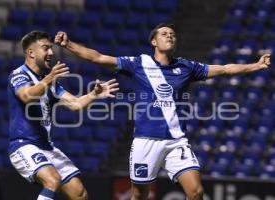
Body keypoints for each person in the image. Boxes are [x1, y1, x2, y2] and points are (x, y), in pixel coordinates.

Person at [54, 23, 271, 200]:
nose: (170, 36)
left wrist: (256, 65)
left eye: (173, 34)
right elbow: (98, 57)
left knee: (196, 192)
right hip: (146, 140)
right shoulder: (139, 64)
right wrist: (69, 44)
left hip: (177, 141)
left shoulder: (187, 67)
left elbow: (224, 70)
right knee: (139, 195)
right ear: (153, 42)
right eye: (165, 34)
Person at [7, 31, 119, 200]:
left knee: (79, 194)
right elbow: (26, 96)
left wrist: (94, 95)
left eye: (51, 48)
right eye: (46, 48)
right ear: (31, 53)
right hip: (24, 145)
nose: (51, 53)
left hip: (47, 147)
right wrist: (48, 79)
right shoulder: (19, 75)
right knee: (52, 181)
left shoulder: (49, 80)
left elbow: (75, 104)